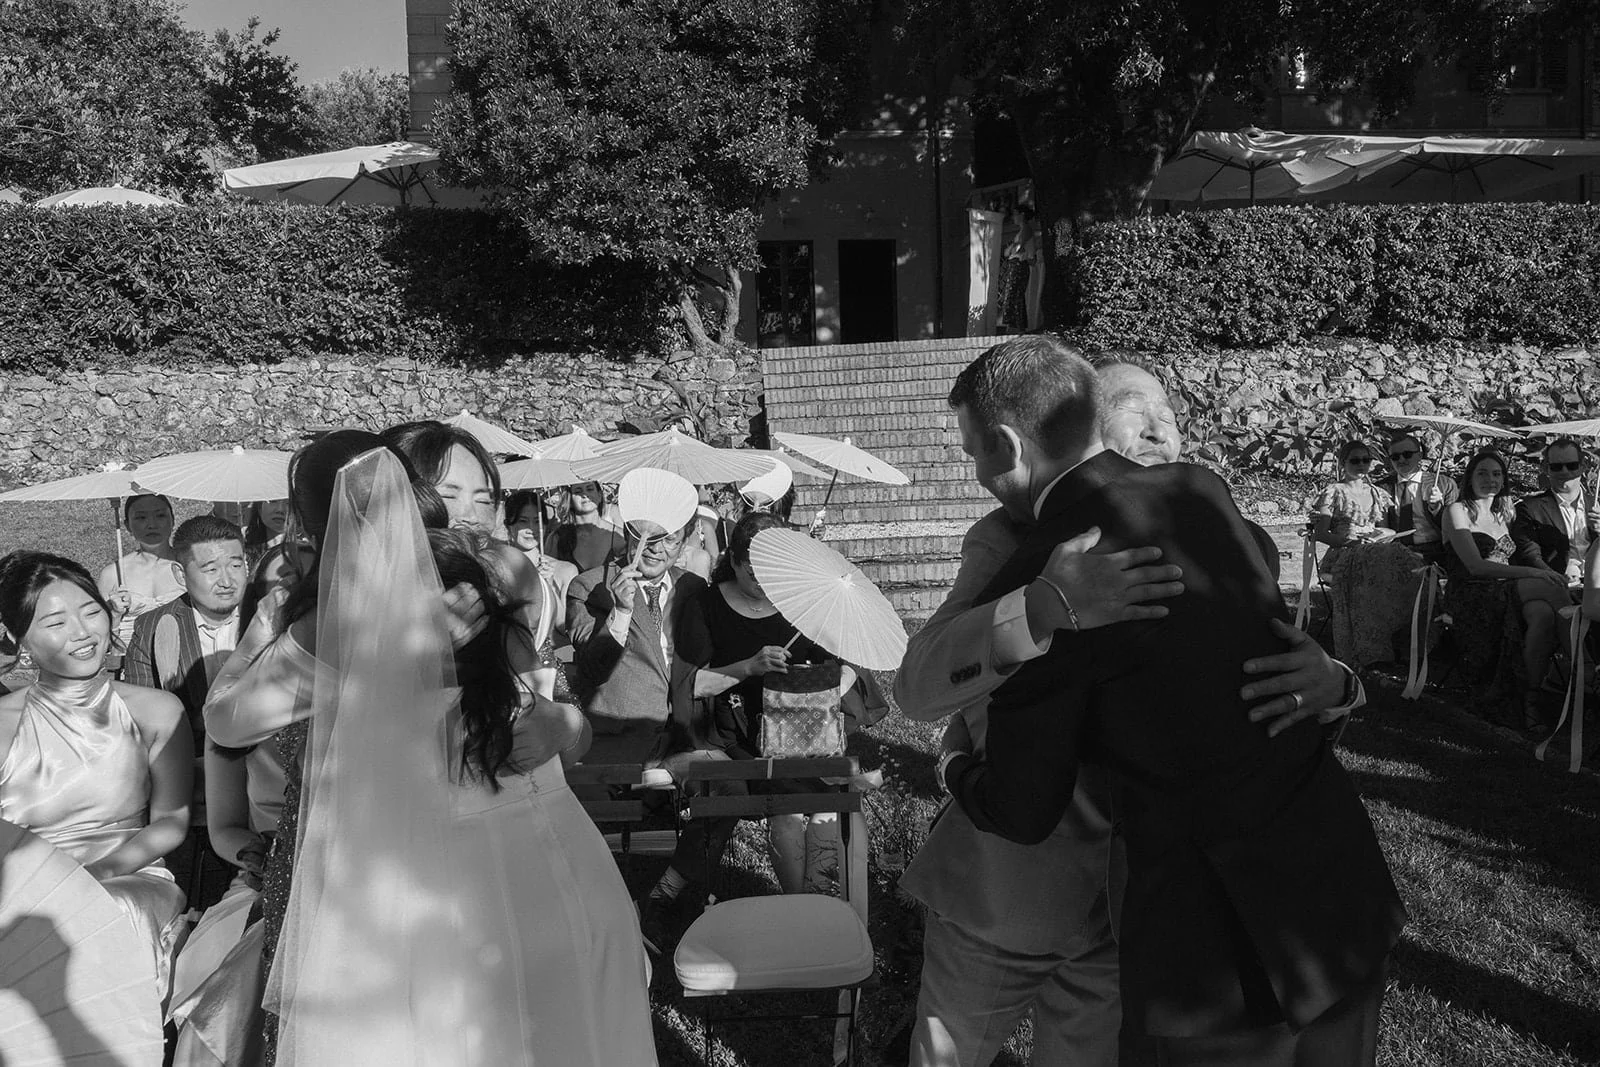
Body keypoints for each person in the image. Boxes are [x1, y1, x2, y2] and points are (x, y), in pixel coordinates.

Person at [935, 338, 1403, 1065]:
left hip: (1215, 953)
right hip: (1336, 894)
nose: (978, 473)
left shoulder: (1049, 575)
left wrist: (955, 766)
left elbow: (1024, 805)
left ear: (1004, 444)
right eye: (1136, 409)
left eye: (973, 453)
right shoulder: (1202, 493)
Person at [204, 429, 648, 1065]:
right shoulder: (302, 618)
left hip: (532, 851)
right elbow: (228, 723)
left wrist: (565, 725)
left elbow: (545, 713)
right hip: (383, 877)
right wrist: (376, 642)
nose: (468, 513)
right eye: (445, 493)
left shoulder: (505, 577)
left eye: (485, 498)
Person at [641, 512, 857, 948]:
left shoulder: (802, 603)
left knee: (817, 807)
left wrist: (817, 690)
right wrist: (749, 667)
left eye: (772, 572)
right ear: (733, 562)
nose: (763, 581)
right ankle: (672, 893)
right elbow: (688, 686)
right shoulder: (706, 604)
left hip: (792, 734)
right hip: (719, 735)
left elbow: (849, 669)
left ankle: (820, 910)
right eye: (753, 571)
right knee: (748, 791)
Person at [0, 551, 192, 1009]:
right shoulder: (4, 722)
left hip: (127, 876)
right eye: (56, 622)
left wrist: (92, 877)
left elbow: (170, 823)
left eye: (90, 612)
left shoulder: (157, 710)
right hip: (24, 887)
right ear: (17, 637)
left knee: (108, 910)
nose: (83, 633)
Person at [122, 515, 251, 913]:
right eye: (210, 568)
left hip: (260, 791)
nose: (226, 580)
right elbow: (143, 720)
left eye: (236, 564)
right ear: (181, 572)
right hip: (187, 794)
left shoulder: (271, 621)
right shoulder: (153, 626)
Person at [566, 496, 706, 764]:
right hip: (619, 738)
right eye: (647, 537)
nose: (655, 549)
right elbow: (593, 668)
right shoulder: (590, 587)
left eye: (669, 539)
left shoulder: (693, 587)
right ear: (630, 534)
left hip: (682, 737)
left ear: (683, 542)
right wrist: (621, 610)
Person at [1443, 449, 1573, 732]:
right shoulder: (1457, 510)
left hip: (1505, 588)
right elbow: (1475, 567)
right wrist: (1535, 572)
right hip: (1472, 593)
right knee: (1550, 587)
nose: (1490, 479)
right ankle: (1584, 669)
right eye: (1482, 473)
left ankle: (1530, 701)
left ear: (1503, 479)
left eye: (1496, 473)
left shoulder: (1506, 512)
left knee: (1543, 616)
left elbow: (1523, 550)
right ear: (1469, 477)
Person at [98, 492, 185, 649]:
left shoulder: (189, 566)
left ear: (173, 520)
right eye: (141, 518)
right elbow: (101, 641)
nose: (152, 524)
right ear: (127, 525)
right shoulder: (113, 574)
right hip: (130, 661)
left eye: (160, 516)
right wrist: (115, 615)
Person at [1511, 437, 1600, 585]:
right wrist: (1555, 578)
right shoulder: (1530, 508)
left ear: (1582, 467)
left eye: (1571, 466)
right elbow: (1530, 555)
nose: (1564, 472)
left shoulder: (1597, 506)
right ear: (1546, 468)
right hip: (1556, 585)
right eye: (1556, 467)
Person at [1377, 433, 1456, 564]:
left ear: (1419, 455)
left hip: (1437, 552)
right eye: (1395, 457)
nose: (1401, 460)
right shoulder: (1382, 488)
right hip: (1397, 553)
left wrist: (1437, 508)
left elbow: (1455, 528)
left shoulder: (1444, 484)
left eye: (1407, 454)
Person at [1309, 440, 1396, 548]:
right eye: (1355, 461)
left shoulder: (1378, 493)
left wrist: (1380, 537)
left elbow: (1384, 529)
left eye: (1366, 460)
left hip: (1372, 553)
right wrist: (1352, 543)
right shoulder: (1332, 493)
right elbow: (1321, 534)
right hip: (1343, 555)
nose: (1361, 464)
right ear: (1343, 463)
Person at [548, 480, 626, 573]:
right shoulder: (557, 538)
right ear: (570, 500)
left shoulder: (619, 537)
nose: (584, 495)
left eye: (590, 489)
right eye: (578, 491)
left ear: (600, 495)